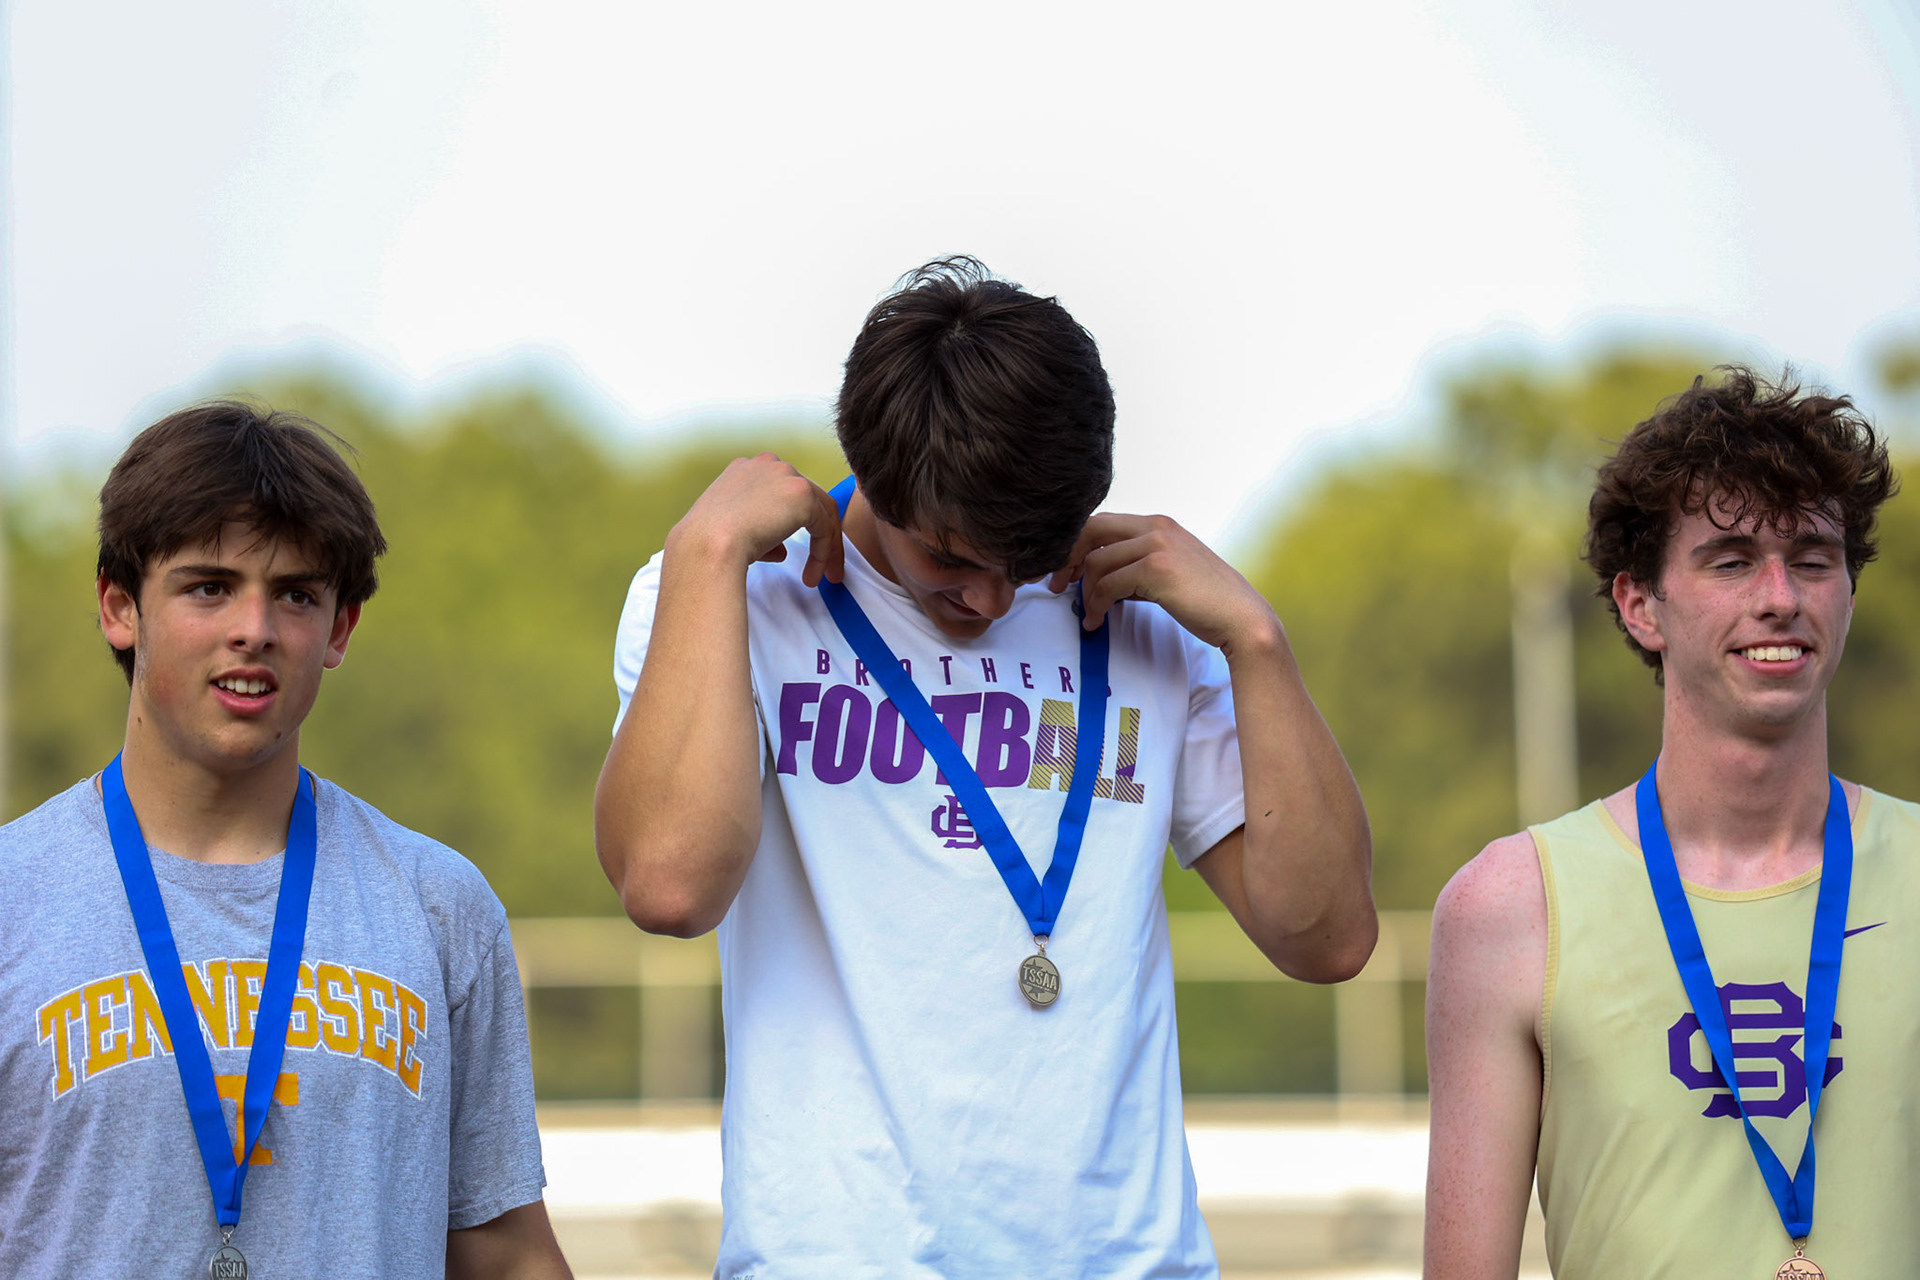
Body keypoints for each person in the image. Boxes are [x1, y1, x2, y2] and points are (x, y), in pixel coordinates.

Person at [595, 257, 1376, 1277]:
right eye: (950, 561)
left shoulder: (1148, 615)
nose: (994, 602)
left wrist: (1256, 642)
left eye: (1029, 560)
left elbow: (1328, 938)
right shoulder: (731, 591)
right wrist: (704, 549)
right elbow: (668, 883)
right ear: (868, 474)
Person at [0, 402, 571, 1279]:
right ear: (121, 608)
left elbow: (504, 1253)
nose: (254, 629)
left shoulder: (438, 905)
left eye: (297, 594)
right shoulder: (14, 899)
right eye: (209, 587)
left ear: (339, 629)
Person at [1424, 369, 1920, 1278]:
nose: (1781, 596)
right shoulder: (1510, 906)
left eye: (1813, 556)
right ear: (1640, 605)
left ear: (1849, 589)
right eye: (1730, 560)